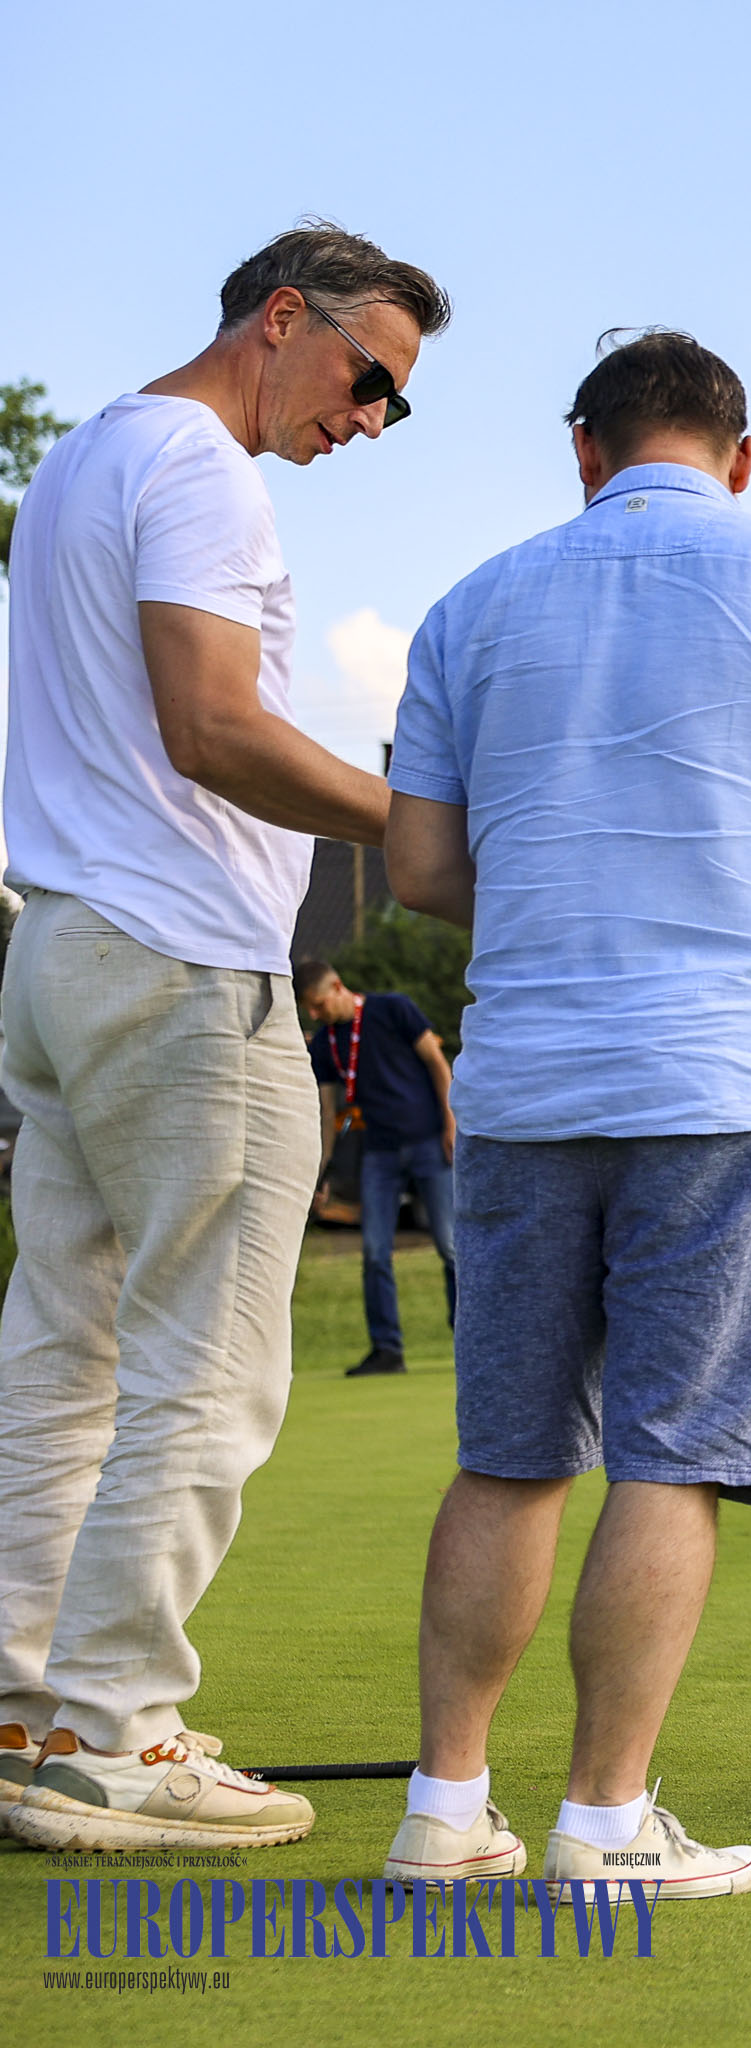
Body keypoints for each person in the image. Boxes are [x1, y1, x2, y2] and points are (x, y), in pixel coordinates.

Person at [377, 330, 751, 1897]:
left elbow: (424, 873)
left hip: (521, 1089)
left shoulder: (471, 603)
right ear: (742, 453)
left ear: (583, 451)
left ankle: (446, 1812)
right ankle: (601, 1822)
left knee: (509, 1452)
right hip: (722, 1087)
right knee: (673, 1457)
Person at [0, 224, 448, 1853]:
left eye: (397, 402)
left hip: (60, 956)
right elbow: (212, 722)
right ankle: (112, 1728)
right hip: (181, 966)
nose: (373, 420)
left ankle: (25, 1711)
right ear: (283, 320)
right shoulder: (203, 464)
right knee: (210, 1362)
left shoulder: (83, 459)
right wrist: (415, 828)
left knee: (65, 1348)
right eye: (369, 377)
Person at [295, 959, 457, 1377]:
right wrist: (322, 1171)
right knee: (374, 1251)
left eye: (318, 1005)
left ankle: (469, 1339)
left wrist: (452, 1123)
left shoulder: (393, 1009)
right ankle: (387, 1350)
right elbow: (328, 1109)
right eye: (309, 1009)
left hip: (428, 1141)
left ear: (337, 987)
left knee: (450, 1243)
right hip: (379, 1153)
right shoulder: (327, 1043)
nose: (315, 1015)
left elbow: (437, 1064)